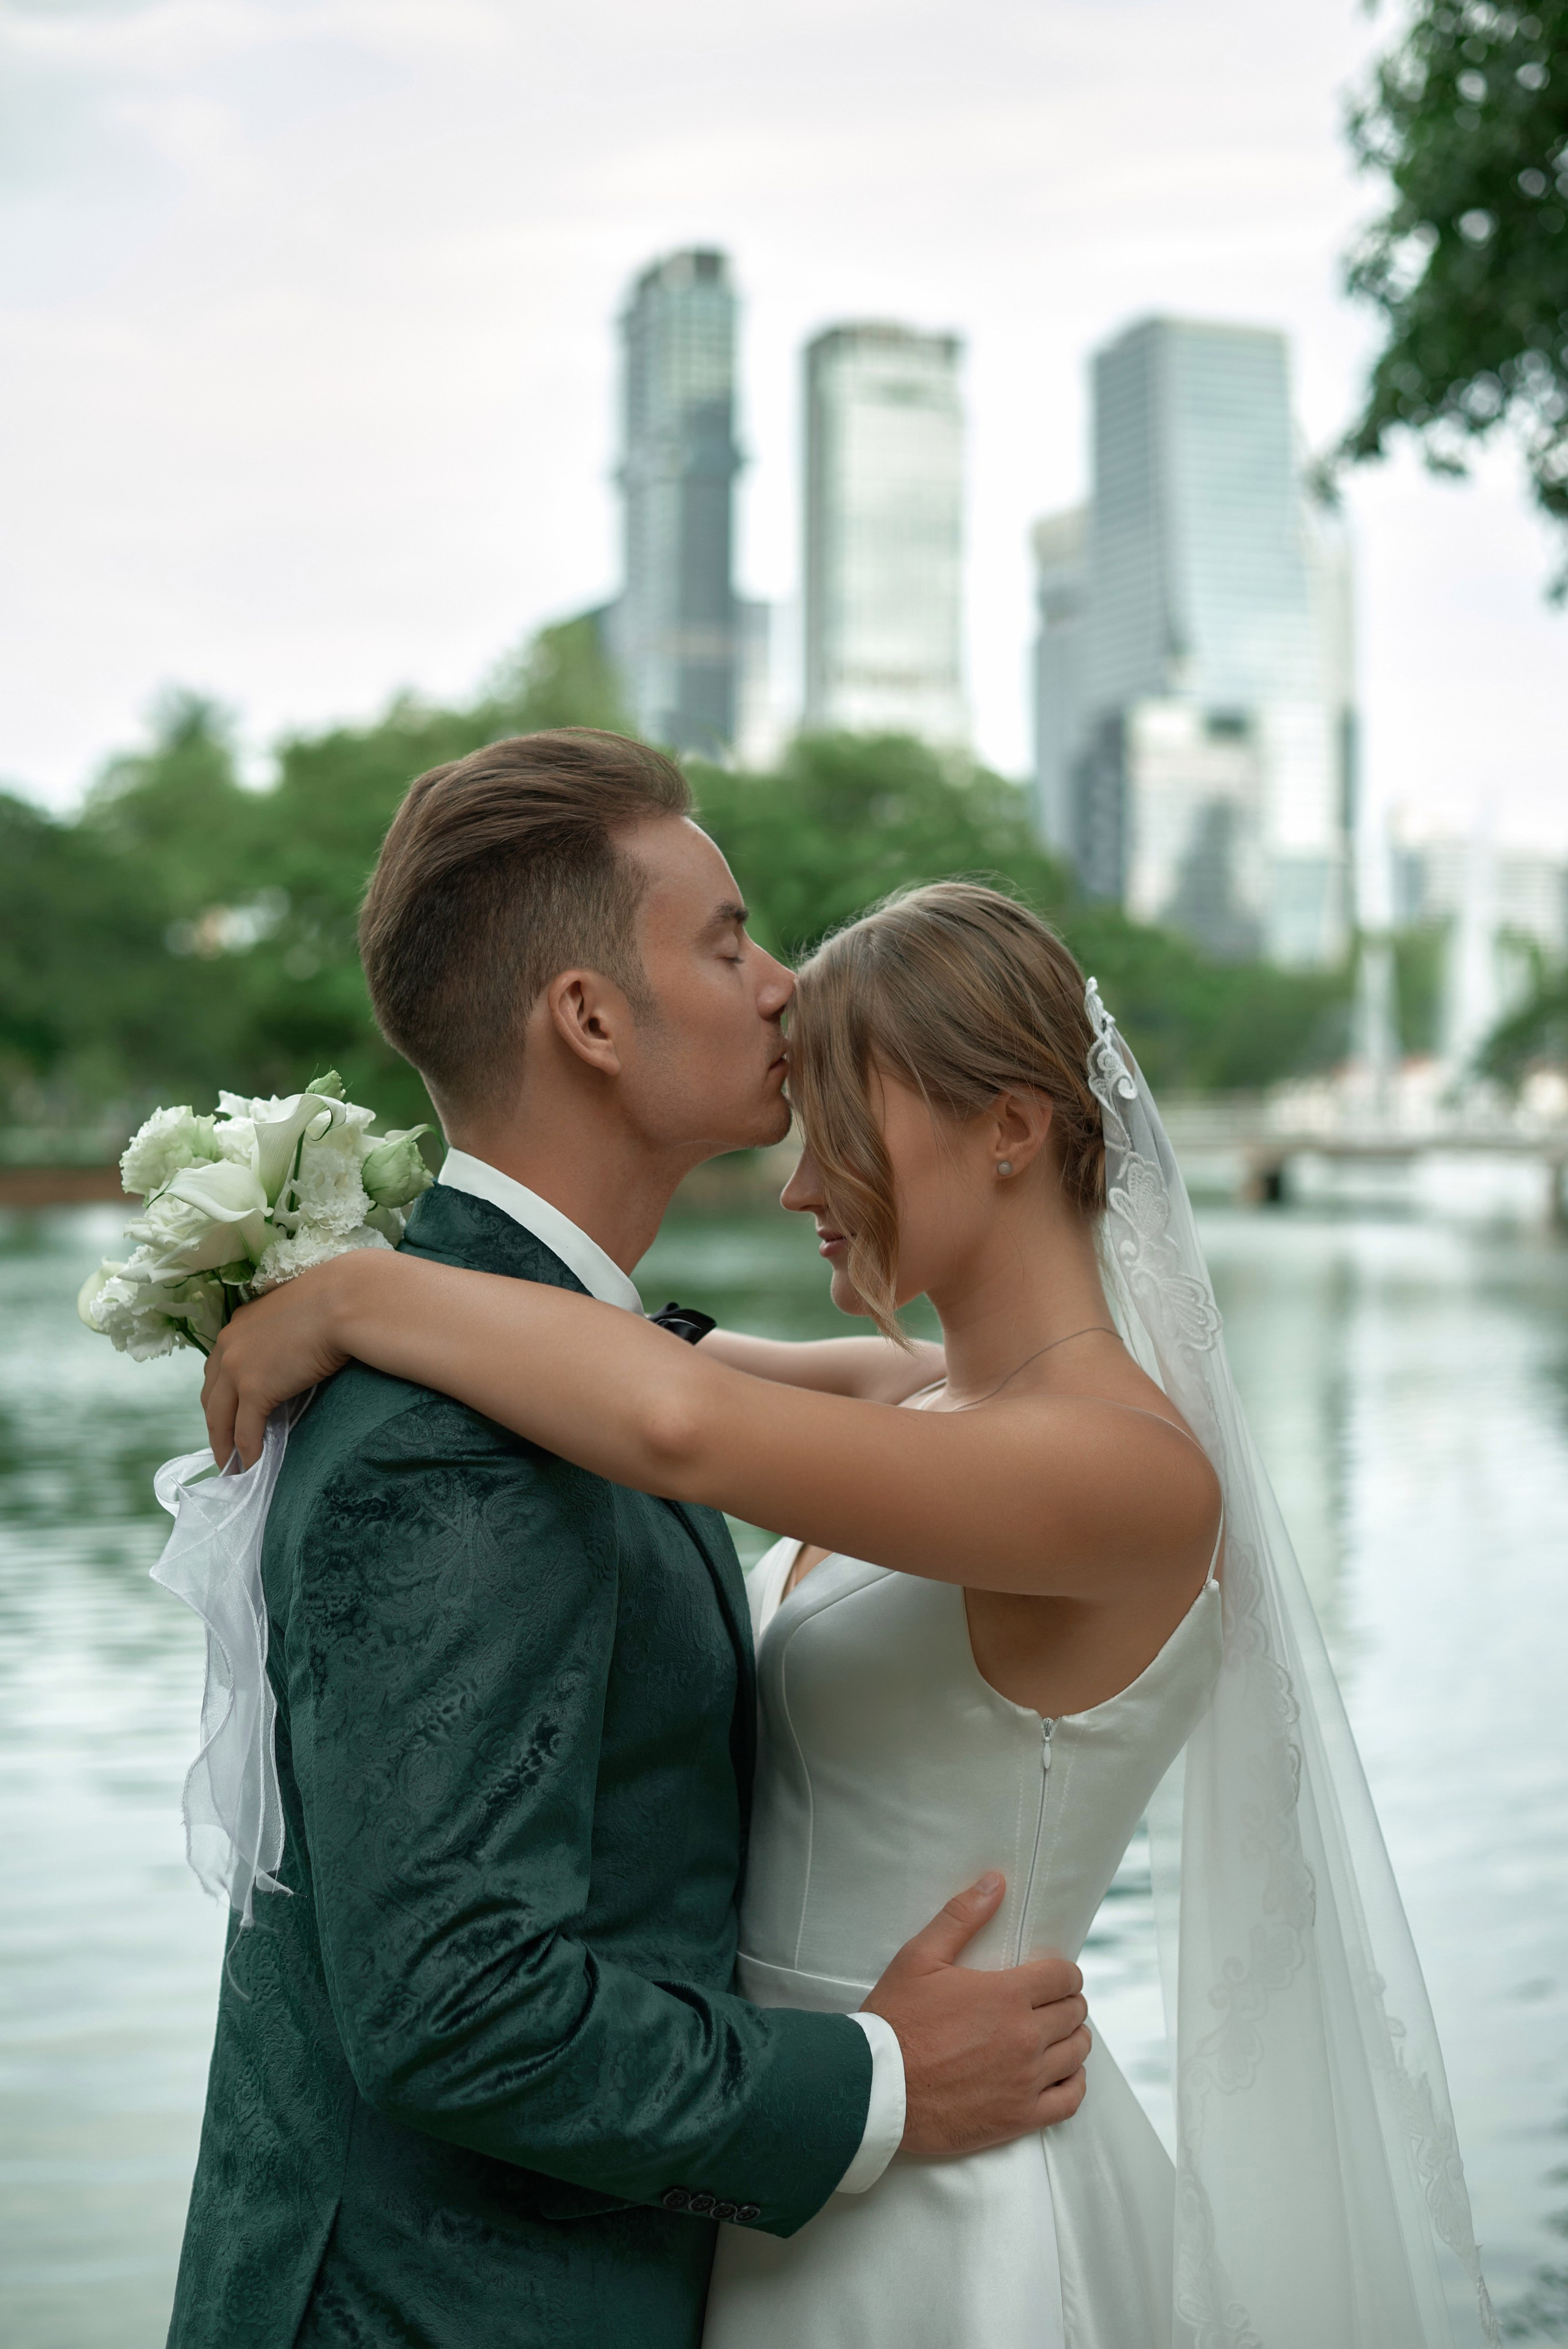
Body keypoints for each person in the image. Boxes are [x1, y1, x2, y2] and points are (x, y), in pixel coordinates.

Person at [207, 866, 1501, 2349]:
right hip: (786, 2154)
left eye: (843, 1127)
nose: (799, 1181)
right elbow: (646, 1351)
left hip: (943, 2196)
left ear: (1011, 1126)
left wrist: (354, 1300)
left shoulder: (1126, 1476)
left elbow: (676, 1427)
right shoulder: (922, 1395)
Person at [164, 734, 1093, 2349]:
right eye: (729, 941)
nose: (787, 987)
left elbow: (719, 1399)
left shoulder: (548, 1365)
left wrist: (362, 1285)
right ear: (591, 1018)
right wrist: (875, 2077)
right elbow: (453, 2007)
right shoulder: (462, 1438)